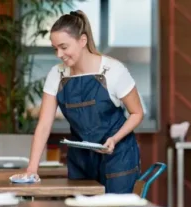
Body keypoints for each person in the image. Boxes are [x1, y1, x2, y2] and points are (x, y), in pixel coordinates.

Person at [17, 10, 144, 193]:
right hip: (81, 159)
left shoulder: (113, 71)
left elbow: (137, 113)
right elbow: (44, 125)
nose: (59, 54)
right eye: (55, 49)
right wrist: (32, 170)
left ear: (82, 41)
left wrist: (114, 139)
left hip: (117, 156)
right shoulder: (57, 74)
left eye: (64, 47)